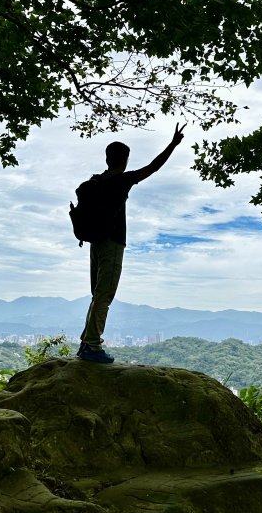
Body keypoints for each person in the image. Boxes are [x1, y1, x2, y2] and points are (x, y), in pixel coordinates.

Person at [77, 123, 186, 363]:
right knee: (105, 295)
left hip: (94, 242)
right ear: (124, 160)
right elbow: (153, 167)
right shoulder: (121, 181)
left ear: (107, 159)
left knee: (97, 294)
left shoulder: (94, 183)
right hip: (113, 243)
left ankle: (86, 342)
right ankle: (92, 346)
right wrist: (173, 144)